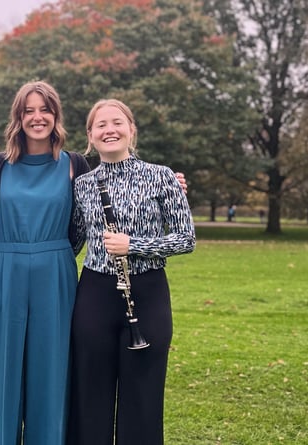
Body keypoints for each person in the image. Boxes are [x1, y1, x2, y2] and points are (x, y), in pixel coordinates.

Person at [67, 99, 196, 445]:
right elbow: (74, 239)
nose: (110, 130)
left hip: (148, 291)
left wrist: (134, 244)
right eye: (101, 125)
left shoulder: (162, 176)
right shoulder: (82, 184)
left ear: (131, 130)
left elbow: (186, 238)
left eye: (117, 123)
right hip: (94, 292)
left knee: (143, 393)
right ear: (90, 137)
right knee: (90, 391)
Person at [0, 80, 91, 445]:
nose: (37, 117)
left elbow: (105, 206)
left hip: (55, 270)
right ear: (18, 118)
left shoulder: (75, 164)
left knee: (50, 370)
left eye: (45, 109)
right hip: (4, 268)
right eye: (29, 110)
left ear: (56, 116)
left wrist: (167, 184)